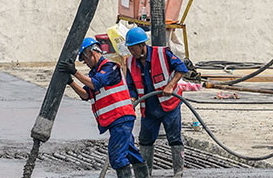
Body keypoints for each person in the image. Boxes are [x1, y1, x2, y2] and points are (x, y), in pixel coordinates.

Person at [57, 38, 149, 178]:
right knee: (130, 151)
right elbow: (86, 94)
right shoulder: (95, 73)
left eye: (85, 59)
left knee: (117, 156)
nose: (86, 63)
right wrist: (70, 82)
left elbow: (95, 84)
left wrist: (75, 72)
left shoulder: (110, 67)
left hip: (121, 117)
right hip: (114, 120)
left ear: (92, 52)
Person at [124, 27, 188, 177]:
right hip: (149, 108)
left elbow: (182, 68)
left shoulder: (162, 53)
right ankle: (147, 174)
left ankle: (178, 173)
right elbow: (131, 86)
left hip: (169, 105)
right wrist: (132, 99)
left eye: (134, 48)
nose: (132, 52)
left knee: (174, 138)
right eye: (130, 49)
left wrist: (171, 85)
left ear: (142, 45)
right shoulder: (130, 62)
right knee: (145, 141)